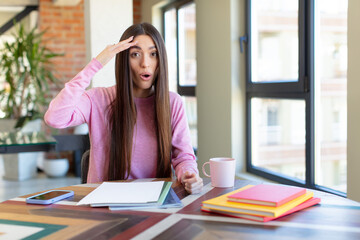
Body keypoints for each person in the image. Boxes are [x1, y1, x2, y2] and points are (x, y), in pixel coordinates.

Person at [44, 22, 203, 194]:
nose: (145, 63)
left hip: (154, 202)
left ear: (160, 60)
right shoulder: (98, 99)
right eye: (135, 54)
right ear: (124, 59)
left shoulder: (172, 102)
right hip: (105, 205)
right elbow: (54, 118)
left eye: (153, 54)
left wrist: (189, 174)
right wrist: (96, 64)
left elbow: (183, 157)